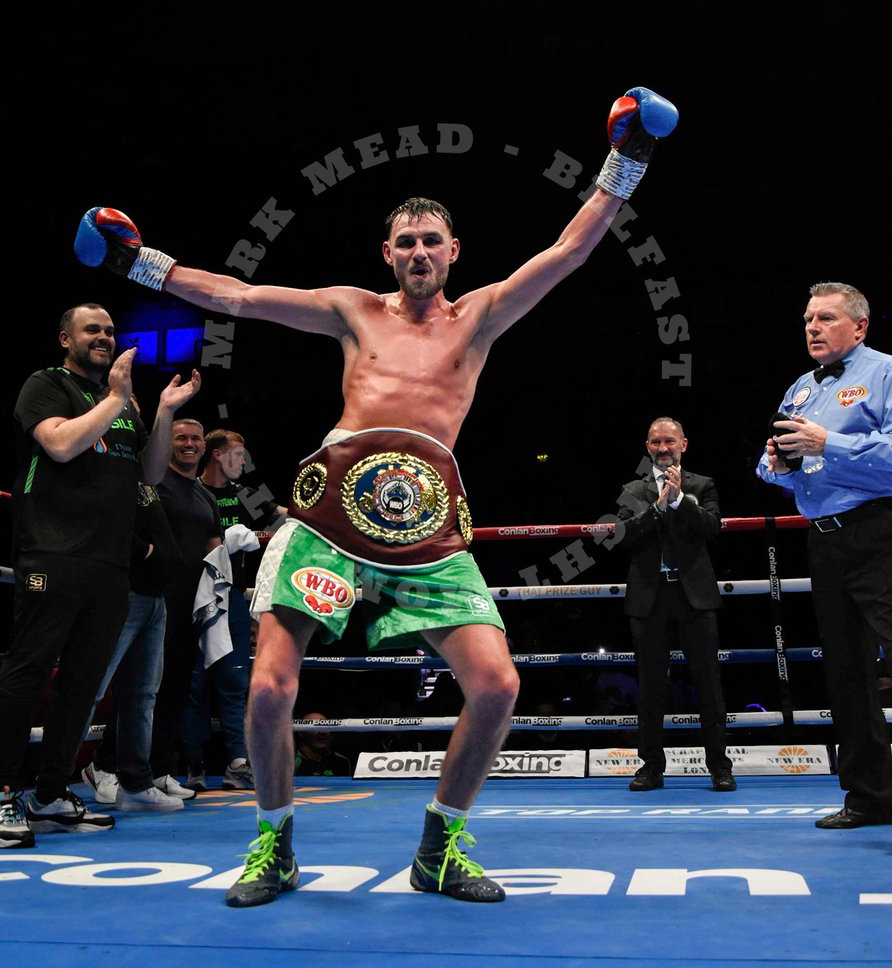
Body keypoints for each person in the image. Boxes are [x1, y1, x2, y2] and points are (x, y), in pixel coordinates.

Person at [74, 84, 678, 906]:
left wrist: (627, 157)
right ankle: (274, 844)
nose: (420, 252)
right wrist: (133, 262)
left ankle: (440, 845)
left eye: (432, 240)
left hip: (426, 527)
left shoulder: (480, 317)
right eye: (406, 242)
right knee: (269, 686)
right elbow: (240, 297)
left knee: (498, 685)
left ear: (455, 250)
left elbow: (568, 251)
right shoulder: (353, 312)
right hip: (327, 519)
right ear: (386, 253)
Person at [0, 303, 199, 849]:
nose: (105, 337)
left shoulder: (127, 405)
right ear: (65, 337)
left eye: (111, 330)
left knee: (86, 682)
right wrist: (115, 398)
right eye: (93, 329)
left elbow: (153, 473)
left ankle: (49, 793)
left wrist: (160, 413)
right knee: (28, 672)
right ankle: (1, 792)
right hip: (53, 553)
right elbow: (61, 444)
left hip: (112, 564)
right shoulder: (45, 384)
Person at [759, 281, 892, 830]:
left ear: (859, 326)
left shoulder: (884, 371)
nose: (812, 327)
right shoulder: (800, 390)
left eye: (827, 318)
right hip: (825, 538)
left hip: (880, 530)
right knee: (846, 671)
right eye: (809, 318)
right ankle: (869, 796)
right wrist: (780, 465)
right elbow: (770, 466)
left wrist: (826, 444)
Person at [616, 417, 735, 792]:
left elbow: (712, 529)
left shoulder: (702, 485)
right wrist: (657, 507)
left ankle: (719, 765)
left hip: (693, 596)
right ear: (647, 446)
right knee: (651, 686)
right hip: (650, 597)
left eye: (669, 441)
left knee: (709, 684)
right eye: (655, 442)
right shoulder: (633, 490)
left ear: (684, 444)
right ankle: (651, 767)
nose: (662, 448)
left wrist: (680, 501)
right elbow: (622, 536)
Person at [181, 429, 284, 792]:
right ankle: (192, 764)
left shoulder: (246, 494)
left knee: (235, 681)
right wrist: (227, 541)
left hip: (234, 599)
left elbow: (287, 520)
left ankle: (238, 763)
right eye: (238, 454)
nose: (244, 462)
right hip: (192, 597)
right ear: (218, 455)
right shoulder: (190, 492)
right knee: (192, 684)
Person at [81, 478, 186, 812]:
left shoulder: (143, 474)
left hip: (155, 594)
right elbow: (92, 515)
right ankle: (49, 787)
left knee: (142, 695)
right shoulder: (106, 465)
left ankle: (136, 785)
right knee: (89, 689)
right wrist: (144, 550)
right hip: (122, 590)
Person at [149, 419, 222, 798]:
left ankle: (159, 770)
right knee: (142, 686)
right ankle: (110, 765)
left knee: (176, 689)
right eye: (181, 438)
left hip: (192, 605)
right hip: (153, 598)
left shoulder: (205, 496)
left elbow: (214, 544)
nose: (189, 444)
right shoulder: (154, 483)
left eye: (196, 438)